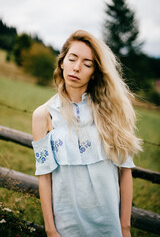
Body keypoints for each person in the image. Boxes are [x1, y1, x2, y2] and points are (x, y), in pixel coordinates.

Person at [32, 30, 142, 237]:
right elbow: (44, 176)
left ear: (95, 72)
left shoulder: (113, 112)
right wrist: (50, 229)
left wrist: (124, 228)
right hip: (67, 226)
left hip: (108, 225)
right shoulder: (43, 115)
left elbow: (125, 172)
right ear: (62, 62)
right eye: (72, 58)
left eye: (87, 64)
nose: (76, 67)